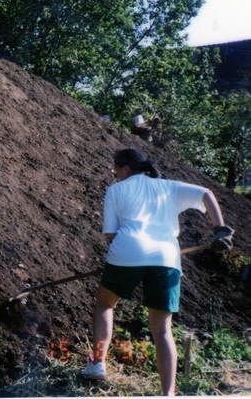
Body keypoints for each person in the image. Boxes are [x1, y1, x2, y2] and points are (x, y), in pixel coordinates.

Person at [81, 148, 234, 395]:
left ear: (126, 169)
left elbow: (111, 234)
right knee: (162, 328)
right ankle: (168, 394)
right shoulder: (168, 187)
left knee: (105, 305)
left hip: (127, 251)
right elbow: (206, 193)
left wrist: (128, 254)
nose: (115, 175)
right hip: (166, 257)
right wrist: (220, 229)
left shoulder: (116, 190)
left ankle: (98, 364)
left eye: (116, 170)